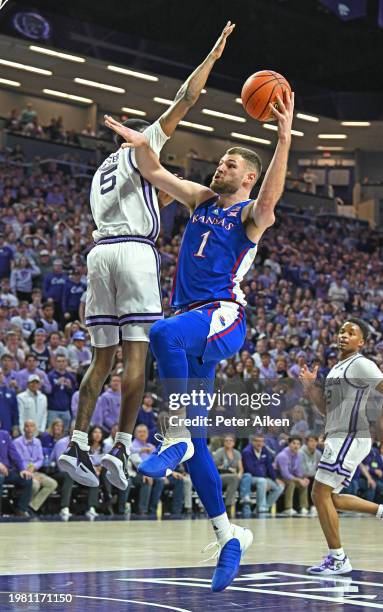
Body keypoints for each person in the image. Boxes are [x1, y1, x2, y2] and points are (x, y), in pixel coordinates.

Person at [104, 76, 294, 592]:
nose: (221, 167)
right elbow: (157, 172)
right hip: (196, 322)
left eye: (231, 164)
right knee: (202, 445)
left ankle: (174, 435)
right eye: (222, 162)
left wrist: (284, 138)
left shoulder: (249, 215)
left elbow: (273, 198)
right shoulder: (203, 201)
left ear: (248, 176)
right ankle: (229, 535)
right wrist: (143, 145)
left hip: (221, 316)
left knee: (161, 335)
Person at [59, 22, 236, 494]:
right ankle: (119, 447)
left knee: (101, 360)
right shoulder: (144, 144)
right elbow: (185, 98)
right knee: (138, 354)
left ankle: (76, 445)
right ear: (139, 138)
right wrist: (211, 59)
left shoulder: (102, 170)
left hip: (99, 253)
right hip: (135, 252)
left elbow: (157, 190)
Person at [299, 317, 383, 575]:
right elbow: (326, 410)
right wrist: (311, 388)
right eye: (341, 331)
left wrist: (380, 424)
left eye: (351, 332)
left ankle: (338, 559)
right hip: (338, 436)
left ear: (362, 341)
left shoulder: (361, 364)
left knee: (319, 494)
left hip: (351, 435)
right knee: (329, 497)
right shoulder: (336, 369)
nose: (343, 335)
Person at [13, 420, 57, 514]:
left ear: (35, 429)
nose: (29, 429)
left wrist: (34, 468)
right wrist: (31, 473)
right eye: (27, 426)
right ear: (23, 428)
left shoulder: (37, 442)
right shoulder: (17, 442)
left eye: (32, 426)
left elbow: (40, 459)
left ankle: (31, 507)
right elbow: (18, 461)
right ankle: (23, 508)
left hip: (35, 471)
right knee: (35, 485)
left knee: (52, 484)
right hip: (22, 472)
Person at [241, 434, 284, 517]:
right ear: (252, 442)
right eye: (257, 441)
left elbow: (269, 467)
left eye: (261, 441)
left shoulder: (264, 450)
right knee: (262, 481)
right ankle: (261, 506)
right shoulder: (247, 452)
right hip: (250, 478)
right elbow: (249, 469)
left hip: (263, 478)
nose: (259, 443)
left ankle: (265, 507)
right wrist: (264, 478)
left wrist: (275, 479)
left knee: (280, 486)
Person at [0, 427, 33, 517]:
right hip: (1, 473)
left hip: (8, 471)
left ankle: (20, 510)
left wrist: (22, 469)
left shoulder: (4, 435)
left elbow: (14, 454)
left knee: (27, 479)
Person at [275, 436, 309, 515]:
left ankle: (303, 507)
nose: (296, 446)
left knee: (304, 484)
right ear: (289, 444)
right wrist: (299, 480)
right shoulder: (283, 455)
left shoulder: (298, 455)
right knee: (291, 483)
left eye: (298, 444)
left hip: (290, 477)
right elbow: (285, 474)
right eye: (294, 443)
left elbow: (297, 471)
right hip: (279, 477)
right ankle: (288, 508)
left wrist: (303, 478)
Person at [213, 434, 243, 517]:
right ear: (224, 442)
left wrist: (240, 473)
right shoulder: (219, 452)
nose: (228, 442)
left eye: (230, 441)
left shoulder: (237, 453)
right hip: (220, 476)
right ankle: (228, 505)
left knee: (239, 478)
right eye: (226, 441)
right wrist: (227, 468)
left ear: (234, 443)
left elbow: (241, 468)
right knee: (234, 478)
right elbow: (214, 467)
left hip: (234, 477)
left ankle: (238, 504)